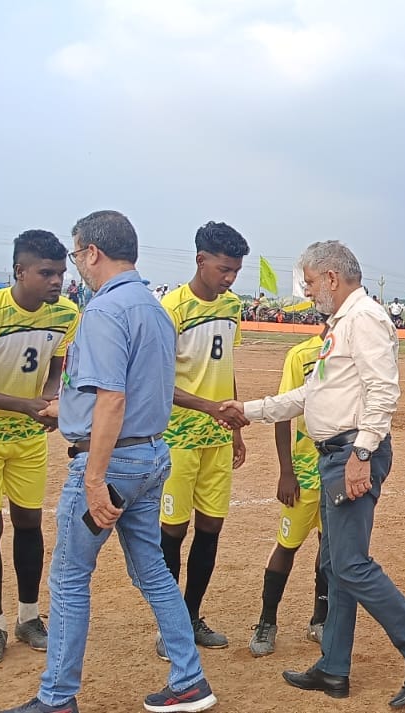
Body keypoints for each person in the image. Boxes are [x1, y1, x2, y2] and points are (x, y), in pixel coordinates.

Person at [1, 210, 218, 713]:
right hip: (149, 455)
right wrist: (69, 411)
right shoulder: (155, 308)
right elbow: (133, 389)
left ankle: (57, 698)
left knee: (70, 578)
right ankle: (189, 678)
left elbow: (113, 399)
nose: (75, 265)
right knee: (153, 572)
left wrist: (94, 478)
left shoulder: (103, 311)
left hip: (111, 462)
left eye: (76, 254)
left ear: (93, 252)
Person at [230, 240, 405, 708]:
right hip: (335, 454)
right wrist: (247, 410)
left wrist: (361, 454)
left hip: (351, 452)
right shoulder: (342, 324)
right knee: (336, 565)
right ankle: (334, 666)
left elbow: (384, 391)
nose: (308, 292)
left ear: (331, 277)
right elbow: (310, 394)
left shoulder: (364, 318)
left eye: (310, 282)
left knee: (349, 564)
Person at [0, 230, 79, 665]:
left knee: (28, 521)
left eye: (61, 272)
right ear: (20, 271)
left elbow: (57, 365)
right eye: (46, 273)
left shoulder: (65, 314)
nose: (57, 281)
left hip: (27, 436)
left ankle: (29, 617)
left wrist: (50, 397)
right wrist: (24, 404)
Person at [157, 222, 250, 656]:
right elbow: (157, 382)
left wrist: (234, 426)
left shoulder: (232, 308)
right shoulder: (171, 309)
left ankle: (192, 615)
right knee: (173, 532)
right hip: (177, 439)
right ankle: (169, 626)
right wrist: (209, 407)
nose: (230, 278)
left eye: (236, 271)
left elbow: (226, 367)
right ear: (200, 260)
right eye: (224, 268)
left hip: (217, 437)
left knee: (210, 528)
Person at [248, 335, 330, 657]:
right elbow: (283, 413)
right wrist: (286, 471)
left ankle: (320, 620)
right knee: (287, 545)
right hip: (306, 472)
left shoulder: (356, 348)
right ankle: (267, 621)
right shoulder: (301, 355)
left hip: (338, 471)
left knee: (329, 547)